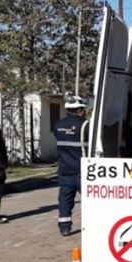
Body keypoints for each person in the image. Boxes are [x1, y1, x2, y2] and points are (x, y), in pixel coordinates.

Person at [53, 95, 89, 236]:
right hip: (82, 170)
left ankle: (64, 227)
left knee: (65, 199)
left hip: (64, 169)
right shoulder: (86, 125)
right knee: (90, 199)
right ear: (79, 110)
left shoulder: (58, 125)